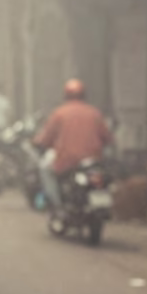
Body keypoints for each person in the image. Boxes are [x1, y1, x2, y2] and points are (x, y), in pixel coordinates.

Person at [34, 79, 112, 208]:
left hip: (66, 160)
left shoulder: (59, 113)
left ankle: (57, 204)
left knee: (45, 169)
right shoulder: (94, 113)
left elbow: (46, 138)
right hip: (93, 161)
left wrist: (39, 142)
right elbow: (108, 138)